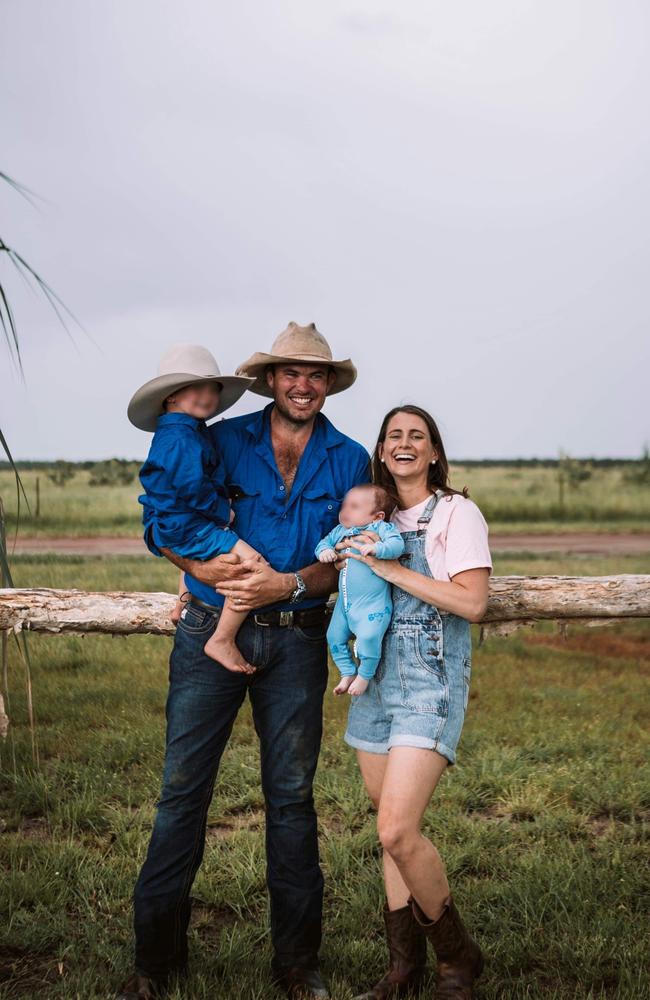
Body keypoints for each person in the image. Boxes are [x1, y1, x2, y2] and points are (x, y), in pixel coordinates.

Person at [117, 322, 369, 1000]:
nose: (303, 384)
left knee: (290, 800)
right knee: (182, 795)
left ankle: (296, 964)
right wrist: (196, 566)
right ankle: (155, 965)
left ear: (328, 384)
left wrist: (286, 584)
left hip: (297, 638)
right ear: (270, 380)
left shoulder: (350, 459)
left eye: (315, 374)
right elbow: (157, 516)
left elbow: (350, 559)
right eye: (291, 372)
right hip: (207, 632)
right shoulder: (220, 439)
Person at [340, 405, 492, 1000]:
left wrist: (388, 567)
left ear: (433, 452)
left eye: (417, 436)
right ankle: (405, 969)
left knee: (398, 829)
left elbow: (473, 603)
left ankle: (458, 960)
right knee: (388, 832)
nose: (404, 444)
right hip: (376, 687)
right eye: (394, 435)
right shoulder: (367, 514)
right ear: (381, 450)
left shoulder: (457, 513)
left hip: (430, 684)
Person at [128, 343, 266, 674]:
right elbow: (191, 487)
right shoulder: (181, 438)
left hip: (181, 521)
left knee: (205, 555)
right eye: (196, 388)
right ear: (171, 396)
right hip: (191, 522)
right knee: (252, 565)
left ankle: (183, 601)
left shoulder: (183, 430)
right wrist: (224, 512)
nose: (207, 395)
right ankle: (222, 637)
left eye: (212, 389)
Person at [315, 483, 404, 696]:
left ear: (377, 516)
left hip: (372, 603)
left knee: (369, 637)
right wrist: (325, 551)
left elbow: (397, 545)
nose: (345, 511)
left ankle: (364, 674)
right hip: (345, 605)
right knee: (334, 636)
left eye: (354, 506)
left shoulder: (380, 529)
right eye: (344, 505)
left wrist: (377, 548)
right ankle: (347, 671)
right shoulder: (340, 532)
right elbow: (322, 544)